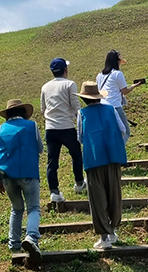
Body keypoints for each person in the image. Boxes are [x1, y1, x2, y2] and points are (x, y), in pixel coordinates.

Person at [76, 81, 127, 250]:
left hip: (94, 158)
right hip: (113, 156)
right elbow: (122, 130)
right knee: (114, 193)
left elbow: (80, 137)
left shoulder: (81, 114)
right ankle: (112, 230)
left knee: (97, 197)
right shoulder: (110, 109)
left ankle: (104, 236)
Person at [0, 99, 43, 264]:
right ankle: (31, 237)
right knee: (34, 208)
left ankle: (13, 243)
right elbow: (40, 148)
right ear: (23, 112)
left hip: (7, 175)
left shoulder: (0, 129)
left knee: (16, 209)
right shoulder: (32, 126)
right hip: (29, 173)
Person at [41, 58, 86, 203]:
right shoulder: (70, 84)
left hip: (51, 128)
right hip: (66, 126)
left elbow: (43, 108)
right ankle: (79, 183)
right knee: (76, 155)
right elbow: (75, 105)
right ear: (65, 70)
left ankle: (54, 192)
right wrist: (77, 119)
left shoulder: (45, 86)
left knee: (52, 161)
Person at [96, 50, 142, 142]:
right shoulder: (117, 74)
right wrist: (133, 86)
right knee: (125, 131)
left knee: (109, 133)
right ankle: (117, 150)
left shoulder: (99, 75)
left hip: (102, 107)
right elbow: (124, 91)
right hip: (115, 106)